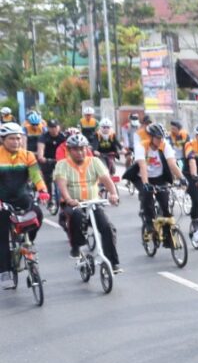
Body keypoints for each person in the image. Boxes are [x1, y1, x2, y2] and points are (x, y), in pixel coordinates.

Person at [54, 133, 121, 271]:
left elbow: (106, 179)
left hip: (93, 202)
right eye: (76, 149)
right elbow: (62, 185)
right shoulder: (62, 165)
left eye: (82, 148)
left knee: (108, 228)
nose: (80, 152)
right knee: (76, 215)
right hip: (73, 203)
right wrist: (69, 199)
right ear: (69, 150)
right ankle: (76, 247)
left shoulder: (94, 161)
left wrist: (114, 194)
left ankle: (112, 262)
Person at [0, 122, 49, 285]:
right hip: (2, 199)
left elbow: (35, 175)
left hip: (22, 196)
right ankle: (5, 270)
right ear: (3, 140)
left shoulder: (28, 155)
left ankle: (27, 241)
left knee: (38, 214)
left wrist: (42, 190)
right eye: (12, 138)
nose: (16, 142)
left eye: (18, 138)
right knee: (2, 231)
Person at [122, 123, 186, 244]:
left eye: (162, 137)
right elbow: (143, 166)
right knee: (147, 197)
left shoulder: (165, 145)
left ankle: (167, 236)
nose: (160, 140)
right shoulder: (142, 146)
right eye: (158, 137)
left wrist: (182, 178)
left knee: (165, 204)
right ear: (151, 137)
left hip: (159, 177)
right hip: (142, 177)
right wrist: (146, 184)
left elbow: (172, 164)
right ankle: (149, 223)